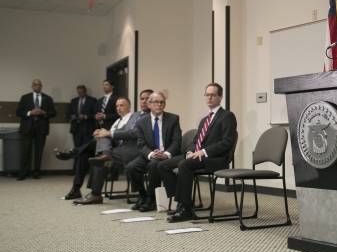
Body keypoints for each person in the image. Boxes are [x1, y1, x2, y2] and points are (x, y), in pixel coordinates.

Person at [161, 83, 237, 223]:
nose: (209, 98)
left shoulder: (227, 116)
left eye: (213, 95)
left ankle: (185, 209)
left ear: (220, 97)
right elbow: (196, 141)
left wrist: (203, 151)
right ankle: (179, 203)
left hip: (216, 159)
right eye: (207, 95)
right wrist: (191, 150)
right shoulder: (204, 120)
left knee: (184, 165)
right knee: (164, 165)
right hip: (197, 156)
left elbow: (227, 142)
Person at [63, 90, 153, 200]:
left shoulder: (151, 116)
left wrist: (109, 133)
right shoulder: (136, 115)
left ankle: (95, 193)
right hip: (121, 146)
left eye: (147, 98)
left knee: (100, 157)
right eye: (142, 98)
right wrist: (104, 132)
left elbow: (134, 133)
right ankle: (76, 189)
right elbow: (123, 130)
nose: (144, 101)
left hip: (134, 150)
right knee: (87, 154)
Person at [126, 91, 181, 212]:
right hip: (150, 154)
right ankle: (142, 195)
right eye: (156, 102)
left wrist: (166, 154)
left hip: (167, 154)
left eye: (162, 102)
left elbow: (177, 141)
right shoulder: (141, 122)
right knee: (131, 167)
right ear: (149, 104)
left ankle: (151, 199)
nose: (159, 105)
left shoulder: (173, 119)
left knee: (154, 165)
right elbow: (141, 144)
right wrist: (151, 154)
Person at [16, 79, 56, 180]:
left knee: (39, 152)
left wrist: (44, 113)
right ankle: (23, 173)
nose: (36, 86)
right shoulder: (25, 97)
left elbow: (53, 113)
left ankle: (36, 172)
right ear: (32, 86)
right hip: (27, 128)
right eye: (35, 85)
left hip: (41, 128)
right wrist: (30, 112)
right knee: (26, 151)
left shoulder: (48, 98)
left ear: (41, 86)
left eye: (38, 85)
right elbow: (18, 112)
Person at [67, 85, 97, 181]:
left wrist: (86, 116)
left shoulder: (92, 100)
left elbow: (95, 114)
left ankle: (88, 169)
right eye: (78, 92)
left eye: (81, 92)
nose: (80, 94)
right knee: (77, 149)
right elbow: (68, 113)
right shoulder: (73, 101)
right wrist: (73, 117)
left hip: (88, 129)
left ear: (85, 91)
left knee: (87, 150)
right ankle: (76, 169)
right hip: (76, 129)